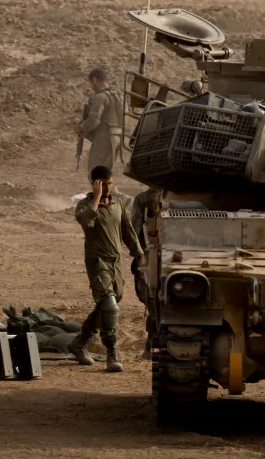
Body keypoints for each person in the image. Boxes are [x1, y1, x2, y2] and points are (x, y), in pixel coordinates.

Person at [70, 165, 144, 372]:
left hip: (115, 262)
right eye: (103, 184)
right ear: (94, 184)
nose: (108, 188)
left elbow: (128, 232)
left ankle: (79, 342)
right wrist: (96, 197)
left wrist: (139, 254)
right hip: (97, 262)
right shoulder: (85, 205)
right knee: (110, 307)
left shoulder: (118, 205)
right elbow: (86, 222)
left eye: (110, 183)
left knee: (108, 304)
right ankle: (112, 351)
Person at [129, 186, 163, 360]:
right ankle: (153, 341)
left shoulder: (146, 198)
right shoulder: (146, 199)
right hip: (152, 255)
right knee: (153, 299)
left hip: (156, 257)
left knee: (154, 299)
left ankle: (153, 341)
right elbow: (135, 230)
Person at [77, 68, 125, 177]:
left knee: (95, 173)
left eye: (90, 83)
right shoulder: (118, 95)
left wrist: (81, 127)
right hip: (117, 138)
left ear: (94, 80)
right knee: (105, 173)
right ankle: (108, 193)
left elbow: (94, 121)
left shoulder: (100, 97)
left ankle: (103, 193)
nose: (91, 86)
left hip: (104, 138)